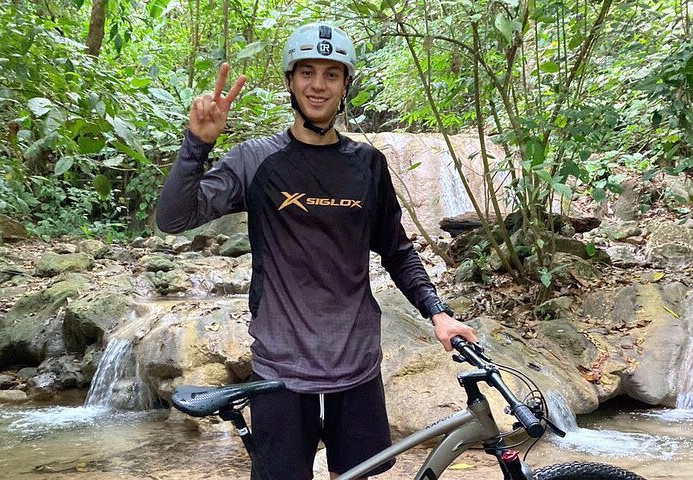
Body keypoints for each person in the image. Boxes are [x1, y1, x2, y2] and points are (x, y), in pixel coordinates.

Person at [156, 23, 477, 480]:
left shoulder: (368, 165)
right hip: (280, 369)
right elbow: (174, 218)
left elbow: (396, 250)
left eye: (331, 74)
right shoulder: (256, 160)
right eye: (307, 72)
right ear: (290, 80)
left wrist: (438, 313)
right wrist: (198, 144)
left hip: (357, 366)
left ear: (346, 84)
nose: (318, 85)